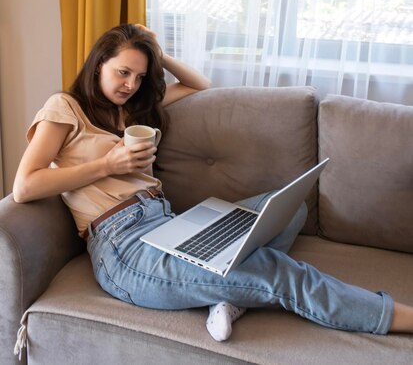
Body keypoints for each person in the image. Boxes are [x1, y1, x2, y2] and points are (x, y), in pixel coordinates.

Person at [13, 24, 413, 344]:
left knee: (290, 206)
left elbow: (200, 84)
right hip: (124, 249)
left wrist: (157, 52)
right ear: (98, 63)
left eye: (139, 76)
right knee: (279, 271)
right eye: (122, 72)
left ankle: (224, 295)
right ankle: (397, 315)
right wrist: (107, 163)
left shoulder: (134, 109)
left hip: (168, 223)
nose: (131, 85)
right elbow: (25, 187)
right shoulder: (64, 108)